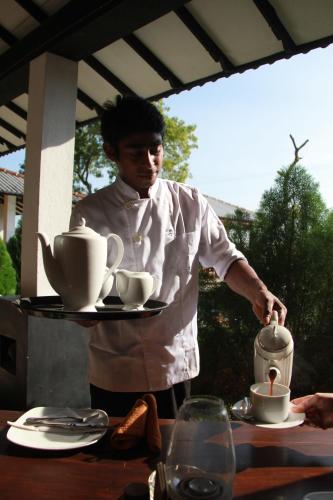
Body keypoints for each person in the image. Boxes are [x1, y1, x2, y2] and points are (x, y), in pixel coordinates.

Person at [70, 95, 287, 418]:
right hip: (114, 368)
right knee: (113, 460)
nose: (149, 161)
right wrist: (81, 307)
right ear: (111, 152)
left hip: (173, 363)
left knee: (168, 455)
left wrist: (259, 290)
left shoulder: (189, 203)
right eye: (135, 152)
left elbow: (225, 258)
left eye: (155, 149)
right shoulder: (90, 213)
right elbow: (80, 299)